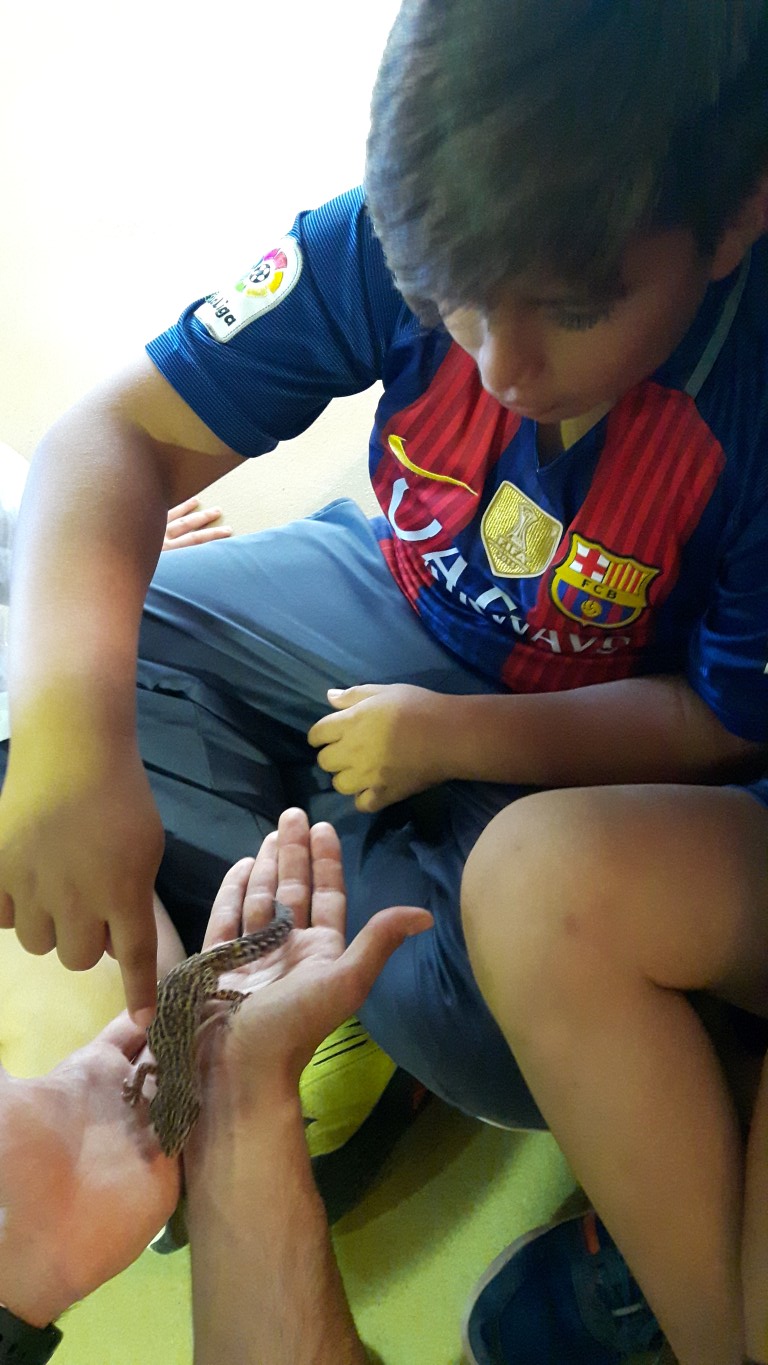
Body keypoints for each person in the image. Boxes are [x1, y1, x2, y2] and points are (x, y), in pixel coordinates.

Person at [2, 1, 768, 1360]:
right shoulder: (381, 235)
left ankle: (343, 980)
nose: (498, 368)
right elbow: (105, 440)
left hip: (598, 732)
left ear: (736, 220)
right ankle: (293, 970)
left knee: (500, 1022)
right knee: (54, 621)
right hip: (390, 598)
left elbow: (718, 724)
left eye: (574, 311)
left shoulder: (747, 406)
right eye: (445, 301)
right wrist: (70, 734)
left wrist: (453, 736)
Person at [0, 807, 428, 1365]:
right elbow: (150, 1073)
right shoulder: (166, 1079)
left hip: (189, 984)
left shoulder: (164, 1074)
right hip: (187, 995)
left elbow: (151, 1068)